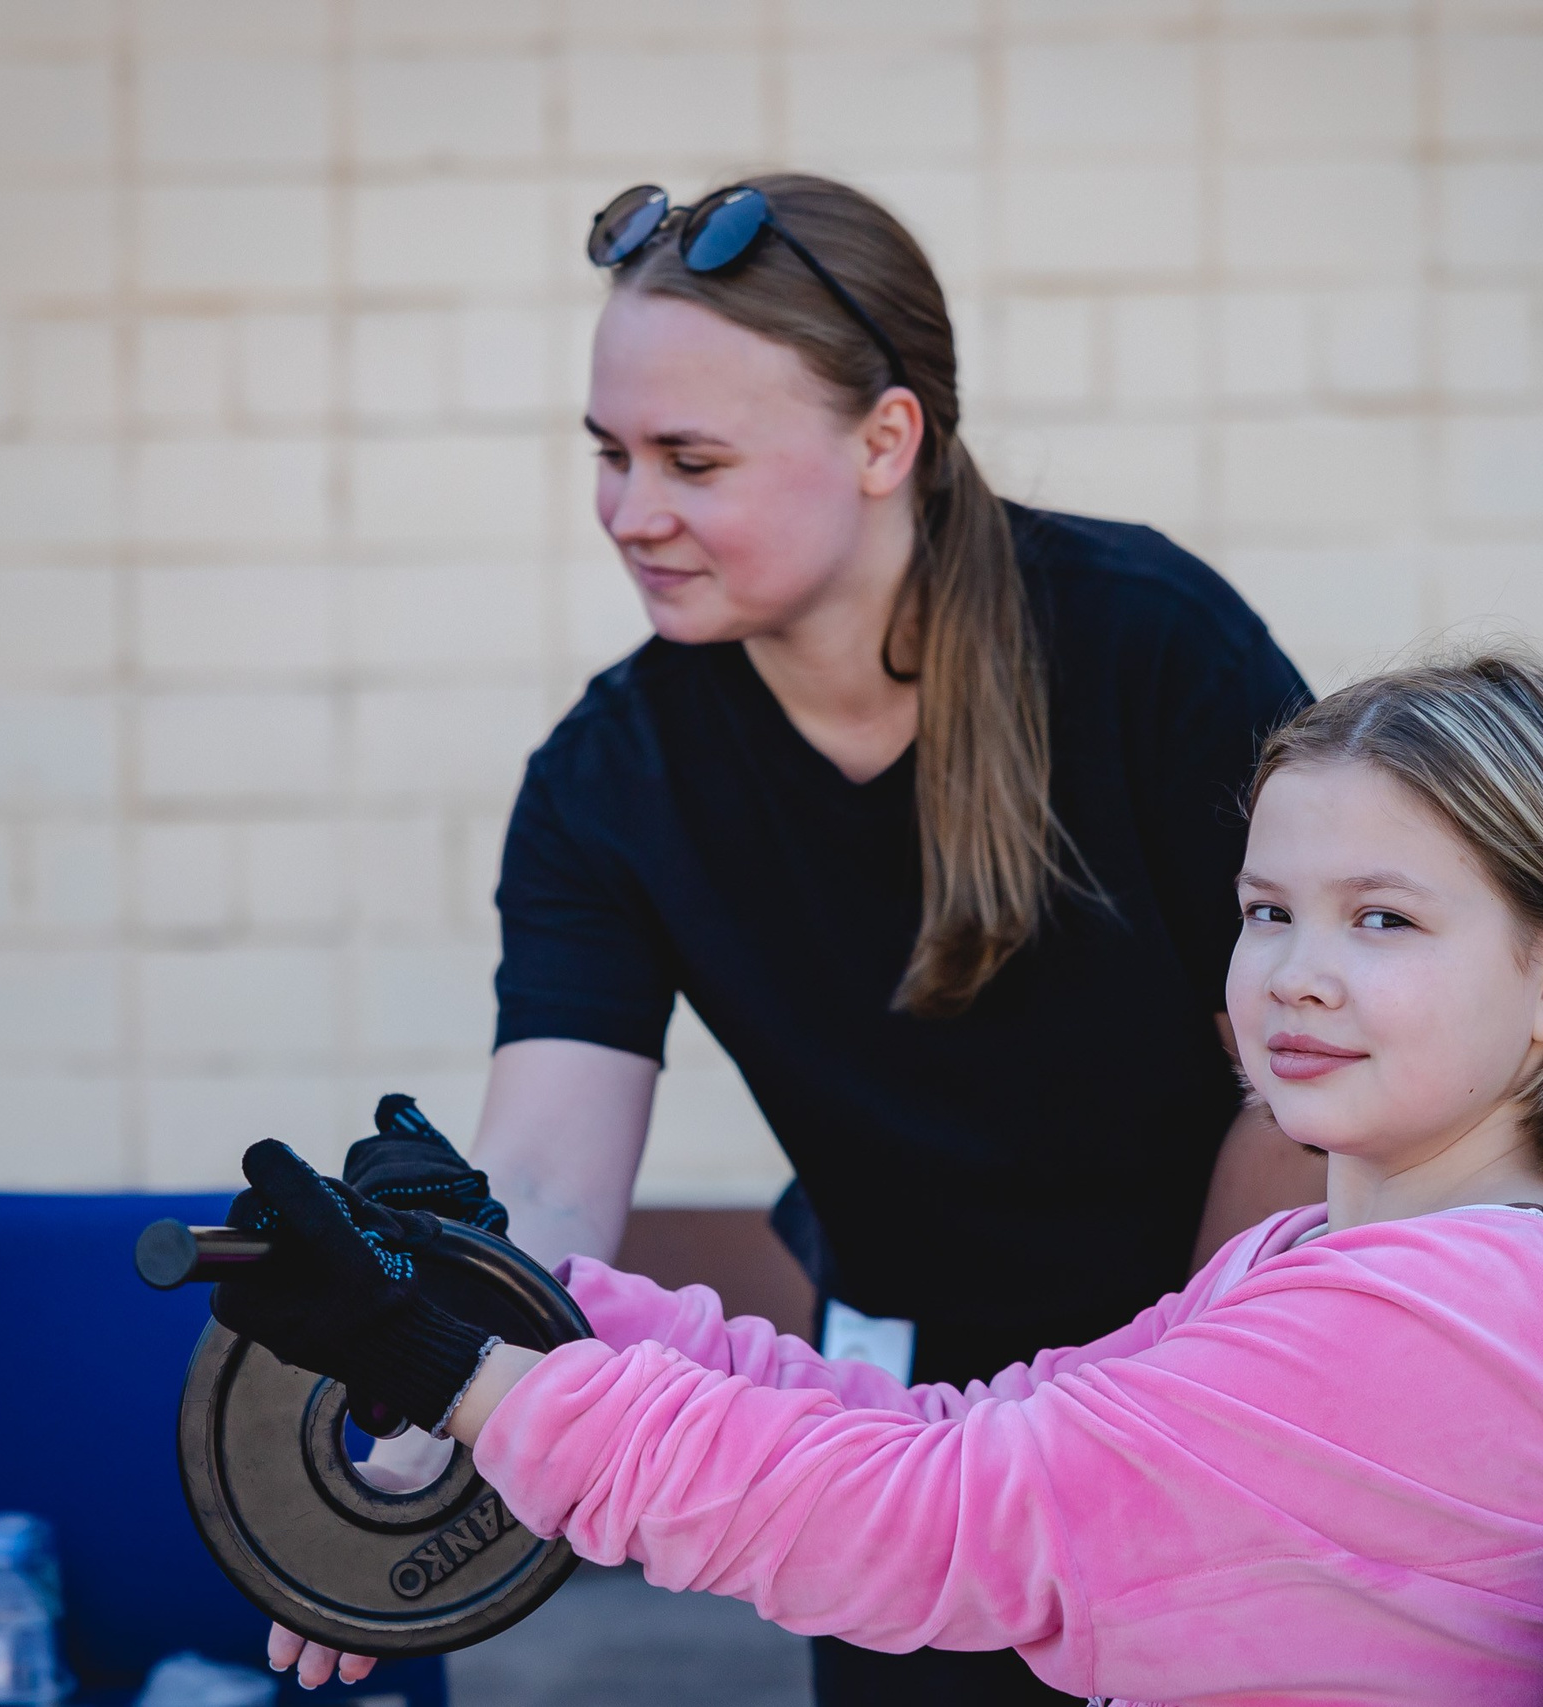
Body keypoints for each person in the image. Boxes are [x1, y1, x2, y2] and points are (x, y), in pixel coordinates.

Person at [216, 651, 1543, 1706]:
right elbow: (969, 1430)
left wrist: (460, 1373)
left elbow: (938, 1519)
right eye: (1268, 912)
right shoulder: (1426, 1277)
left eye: (1383, 920)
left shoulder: (1427, 1318)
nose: (1297, 977)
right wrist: (528, 1305)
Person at [356, 172, 1318, 1702]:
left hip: (1218, 1370)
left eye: (693, 459)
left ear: (886, 441)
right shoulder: (612, 780)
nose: (630, 511)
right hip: (899, 1424)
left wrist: (1170, 1412)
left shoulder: (1152, 646)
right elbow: (540, 1179)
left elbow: (1305, 1074)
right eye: (608, 455)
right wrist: (426, 1417)